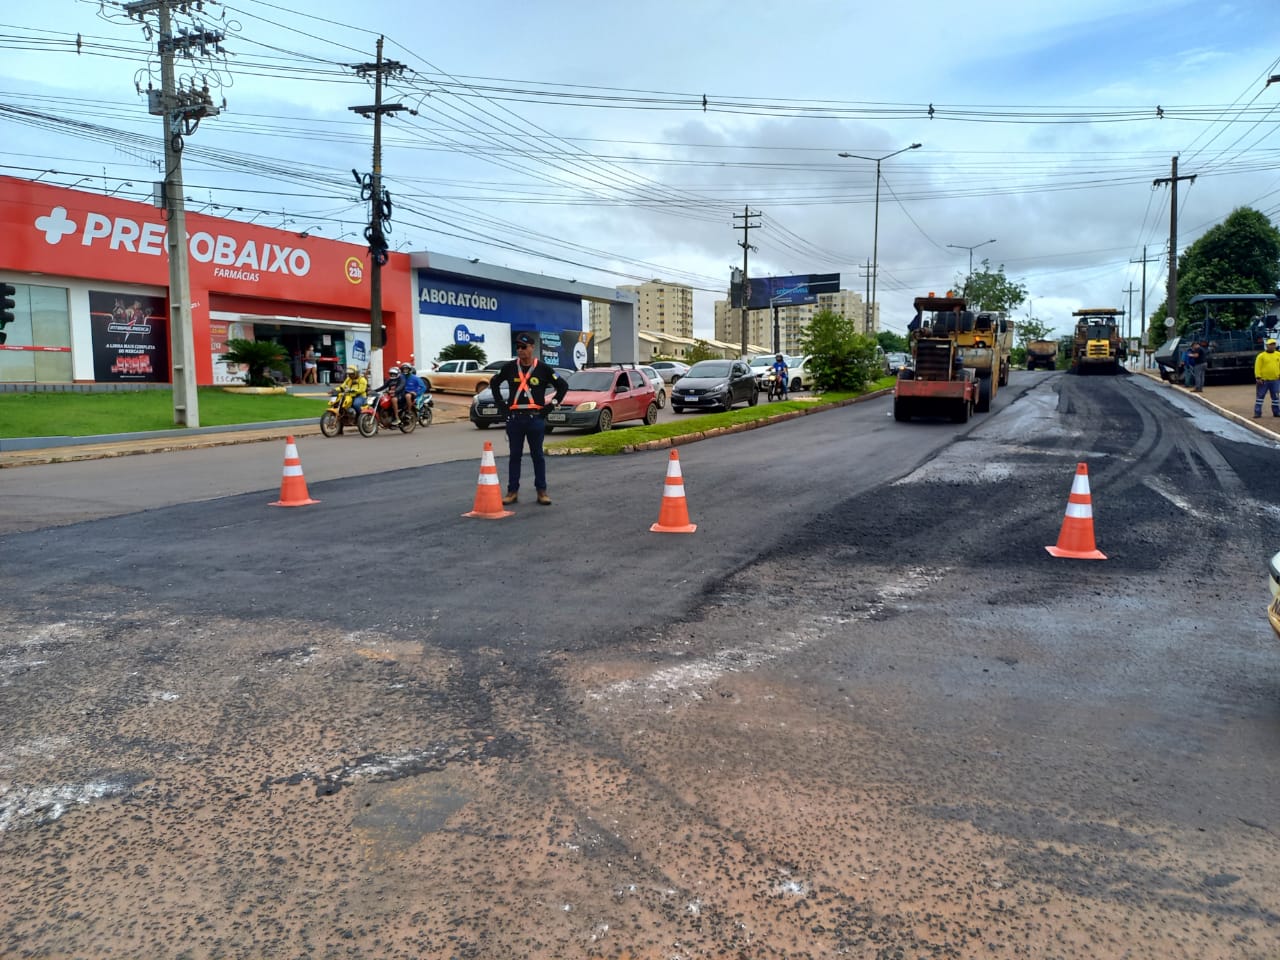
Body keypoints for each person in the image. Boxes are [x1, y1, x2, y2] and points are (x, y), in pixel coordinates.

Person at [489, 333, 569, 505]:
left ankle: (541, 491)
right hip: (515, 418)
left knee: (537, 456)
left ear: (532, 348)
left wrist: (550, 407)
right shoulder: (509, 368)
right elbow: (494, 383)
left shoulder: (543, 368)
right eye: (517, 347)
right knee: (515, 456)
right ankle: (512, 491)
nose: (520, 350)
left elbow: (563, 386)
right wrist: (502, 407)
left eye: (524, 347)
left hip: (535, 419)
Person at [335, 364, 367, 430]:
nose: (350, 375)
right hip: (349, 396)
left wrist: (353, 390)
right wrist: (335, 390)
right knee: (340, 406)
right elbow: (342, 387)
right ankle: (340, 429)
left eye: (352, 374)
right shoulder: (348, 379)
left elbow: (362, 390)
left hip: (360, 396)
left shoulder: (362, 380)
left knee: (356, 404)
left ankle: (361, 417)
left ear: (356, 373)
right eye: (349, 374)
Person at [1254, 337, 1280, 419]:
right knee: (1260, 397)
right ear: (1267, 346)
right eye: (1270, 345)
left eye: (1273, 344)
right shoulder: (1261, 356)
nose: (1272, 346)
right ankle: (1257, 412)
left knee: (1276, 397)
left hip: (1275, 380)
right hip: (1263, 380)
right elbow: (1257, 367)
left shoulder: (1278, 354)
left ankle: (1276, 412)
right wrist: (1258, 377)